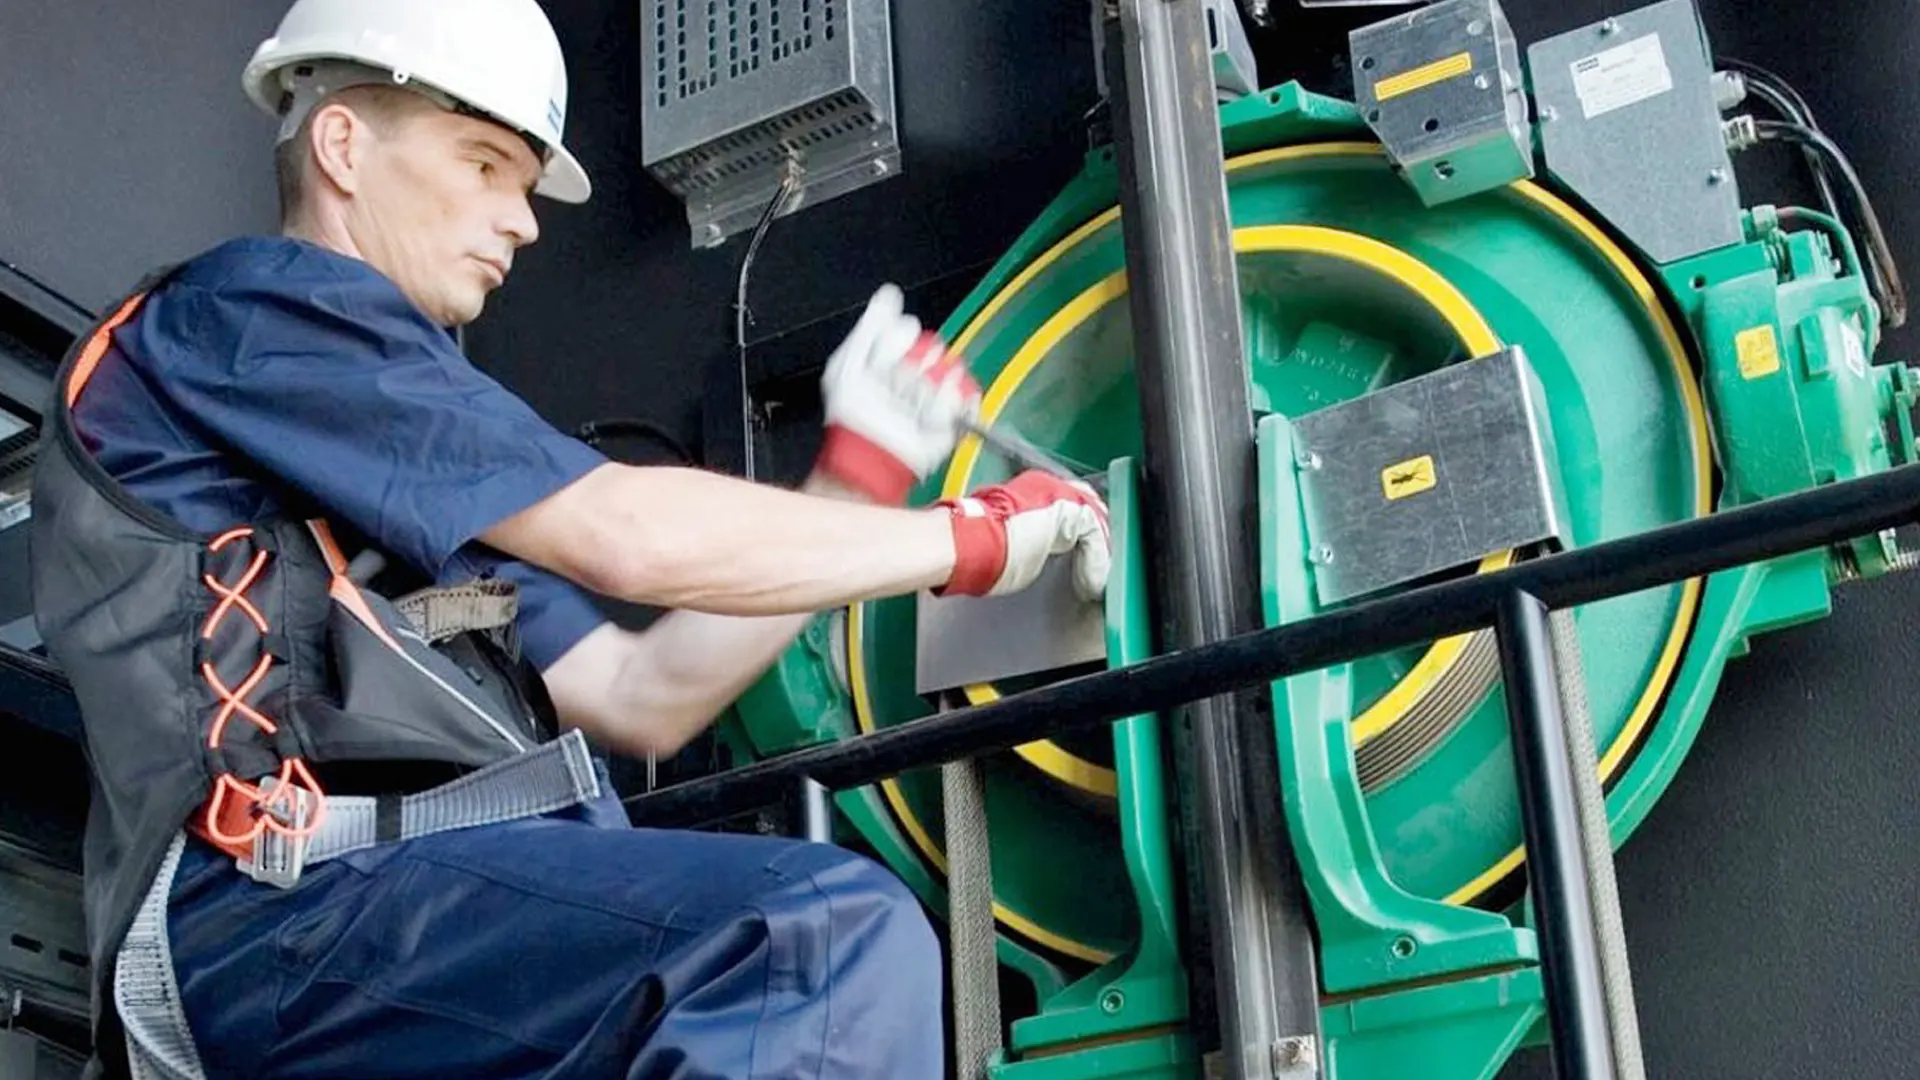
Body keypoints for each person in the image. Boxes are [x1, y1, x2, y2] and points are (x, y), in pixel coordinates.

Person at [28, 1, 1110, 1078]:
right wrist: (978, 539)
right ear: (344, 146)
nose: (524, 221)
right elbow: (625, 535)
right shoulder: (248, 312)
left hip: (380, 915)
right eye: (484, 164)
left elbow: (648, 691)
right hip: (271, 911)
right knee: (812, 939)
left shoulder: (408, 474)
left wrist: (858, 476)